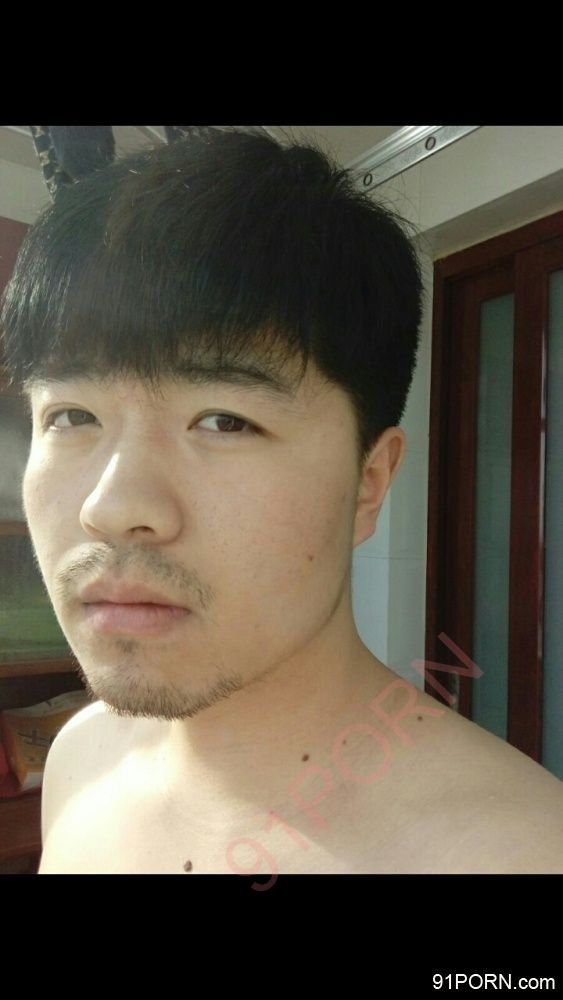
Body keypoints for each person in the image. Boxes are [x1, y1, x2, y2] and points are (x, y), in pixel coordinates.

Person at [2, 126, 563, 876]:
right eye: (71, 415)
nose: (111, 507)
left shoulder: (518, 852)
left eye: (224, 421)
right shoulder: (80, 760)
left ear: (370, 481)